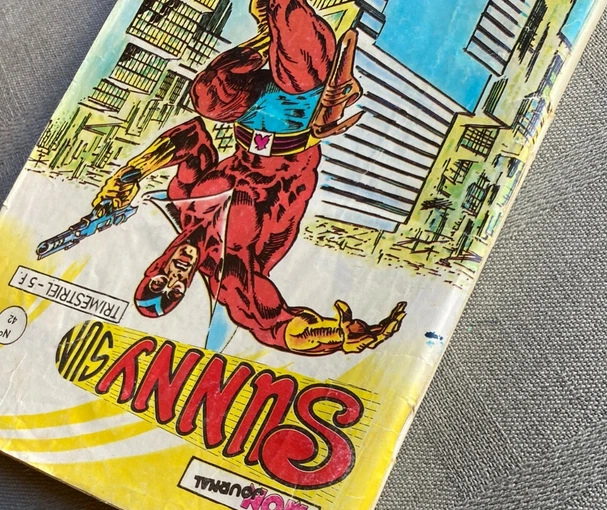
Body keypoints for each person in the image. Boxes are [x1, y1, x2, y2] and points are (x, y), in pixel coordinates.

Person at [94, 0, 406, 356]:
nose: (174, 277)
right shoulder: (231, 273)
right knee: (294, 40)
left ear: (153, 268)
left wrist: (130, 174)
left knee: (207, 96)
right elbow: (271, 325)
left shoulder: (185, 202)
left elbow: (192, 139)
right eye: (176, 290)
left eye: (159, 281)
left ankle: (267, 34)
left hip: (252, 115)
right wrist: (333, 336)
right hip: (300, 117)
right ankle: (282, 29)